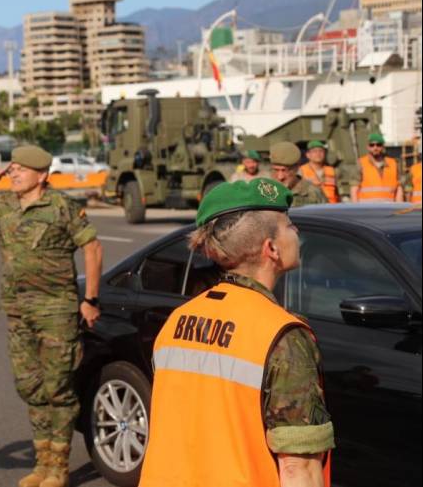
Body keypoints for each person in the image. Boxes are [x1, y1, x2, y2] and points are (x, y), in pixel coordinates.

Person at [140, 178, 333, 487]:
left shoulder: (177, 321)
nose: (296, 232)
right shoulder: (282, 335)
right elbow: (298, 467)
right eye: (289, 226)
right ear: (270, 248)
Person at [0, 145, 103, 487]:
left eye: (20, 170)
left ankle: (58, 467)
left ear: (42, 175)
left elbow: (93, 248)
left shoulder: (62, 207)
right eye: (11, 169)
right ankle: (42, 464)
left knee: (59, 388)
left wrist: (90, 299)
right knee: (30, 387)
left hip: (56, 310)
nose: (13, 174)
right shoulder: (4, 204)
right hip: (17, 310)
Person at [269, 141, 327, 206]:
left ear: (297, 168)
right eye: (276, 170)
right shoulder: (264, 192)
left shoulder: (313, 193)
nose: (280, 177)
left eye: (285, 171)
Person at [351, 132, 403, 202]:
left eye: (378, 145)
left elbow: (399, 188)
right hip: (367, 210)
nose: (375, 148)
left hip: (388, 209)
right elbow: (354, 189)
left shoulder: (393, 163)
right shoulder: (361, 163)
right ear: (368, 147)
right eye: (372, 145)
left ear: (382, 146)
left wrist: (398, 207)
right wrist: (356, 209)